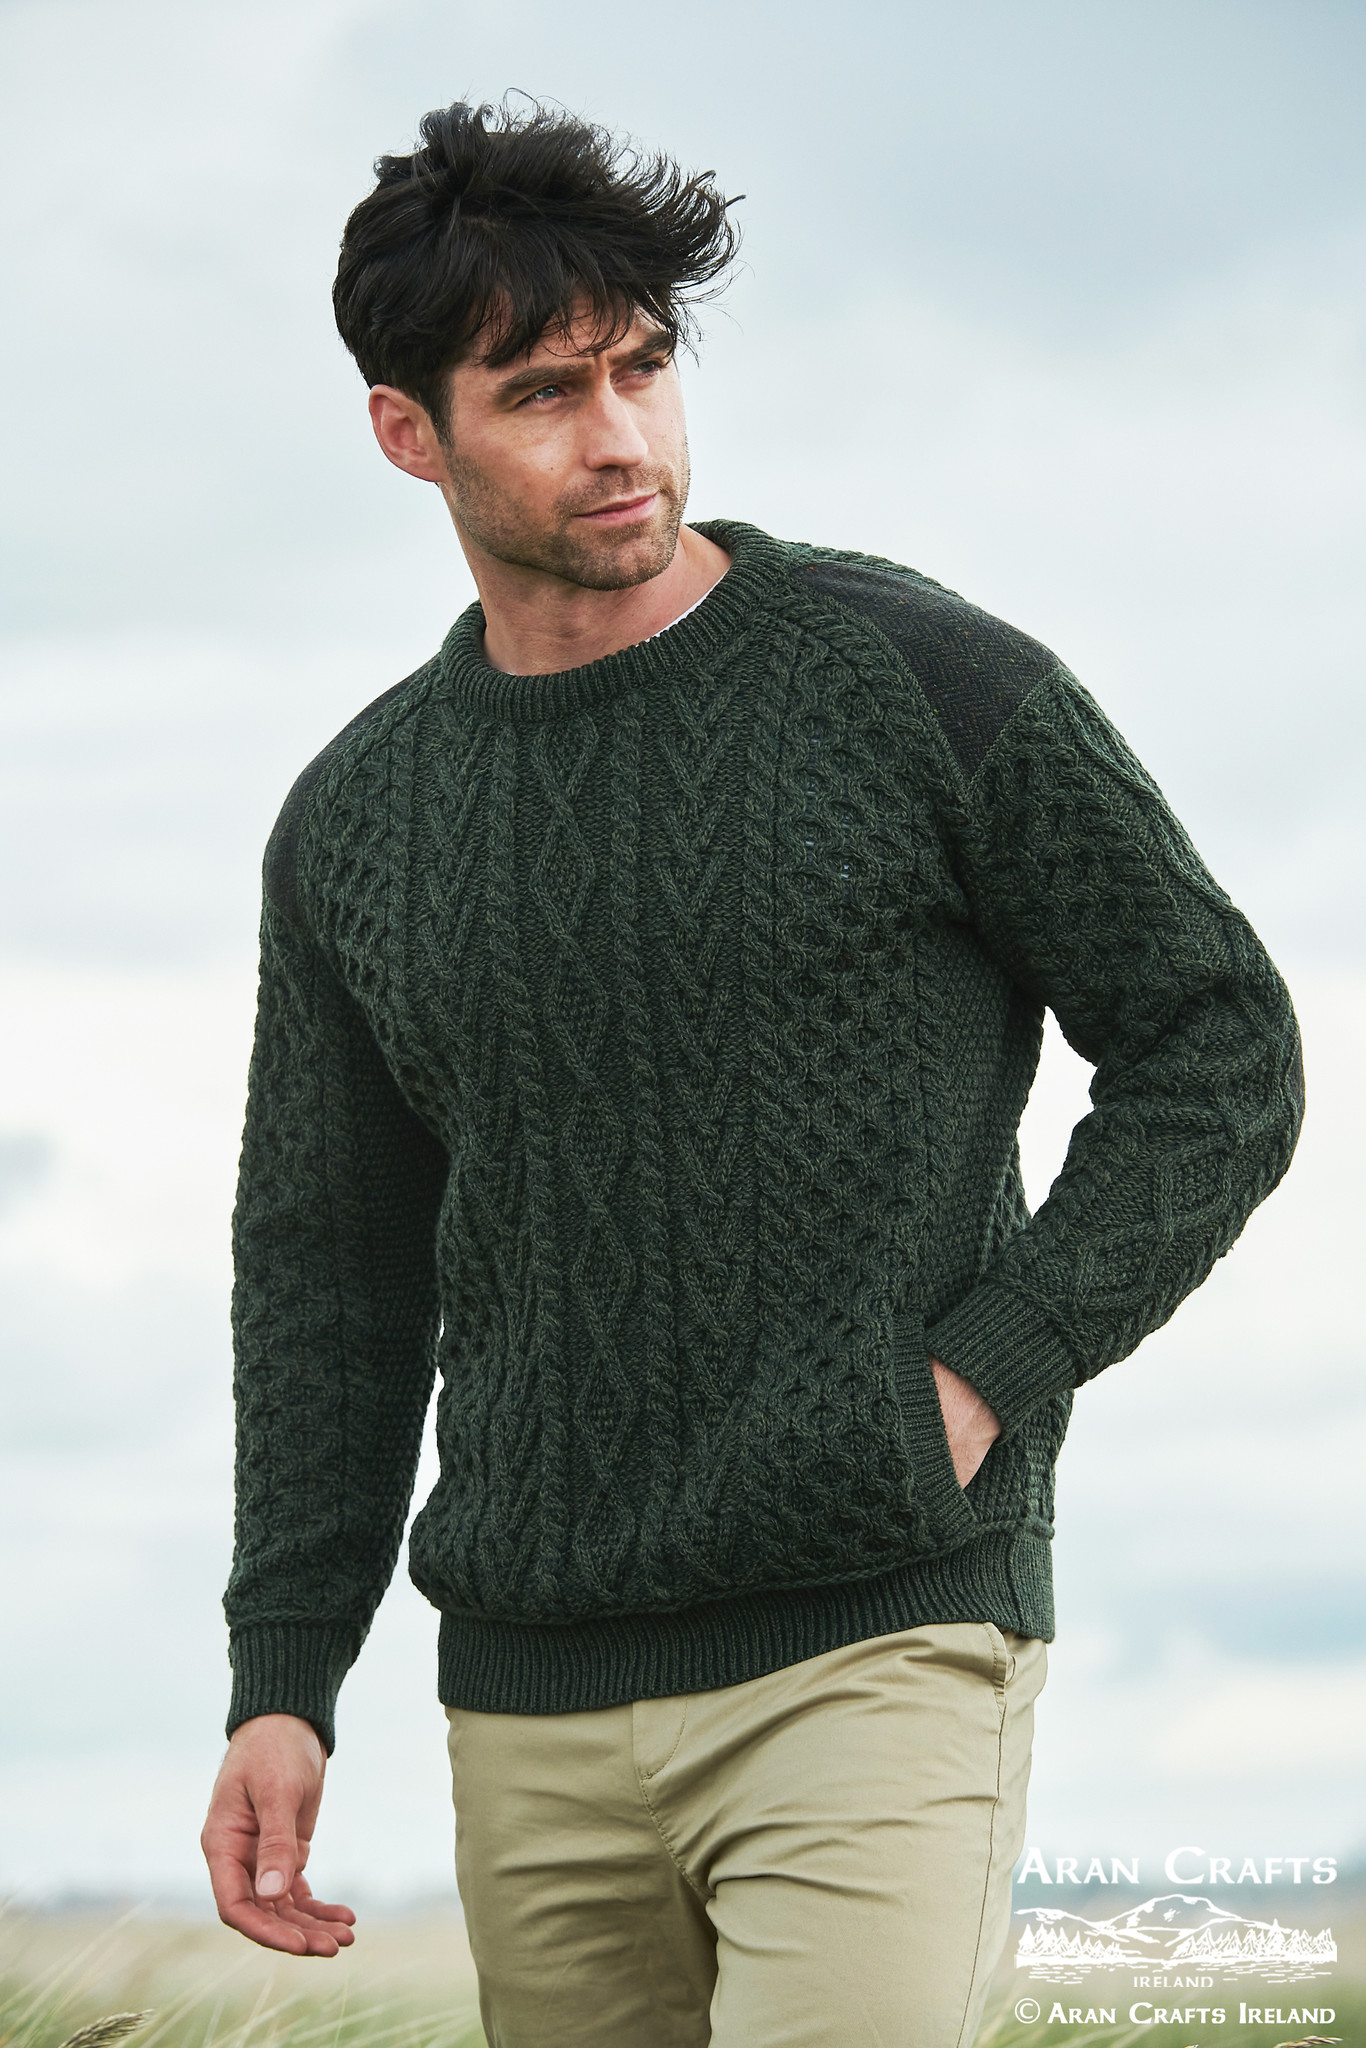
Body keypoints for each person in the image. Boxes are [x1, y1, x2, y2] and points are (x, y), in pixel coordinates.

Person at [200, 97, 1305, 2048]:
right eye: (543, 393)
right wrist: (284, 1673)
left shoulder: (916, 682)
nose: (618, 435)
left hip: (877, 1630)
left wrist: (990, 1366)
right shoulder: (359, 820)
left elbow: (1217, 1036)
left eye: (641, 367)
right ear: (407, 432)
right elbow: (327, 1269)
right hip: (526, 1695)